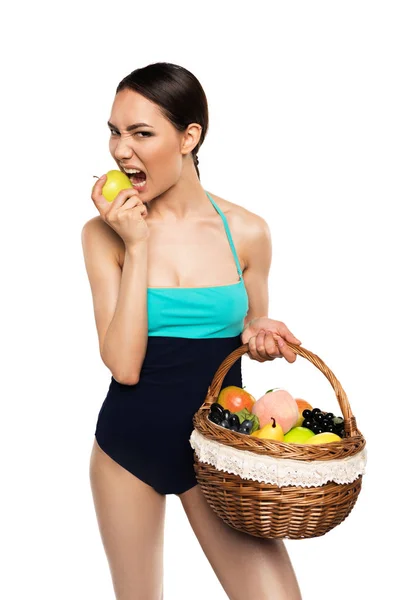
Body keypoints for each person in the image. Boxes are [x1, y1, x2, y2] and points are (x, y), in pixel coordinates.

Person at [82, 62, 303, 600]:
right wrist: (136, 245)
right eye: (115, 131)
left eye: (141, 133)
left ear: (189, 137)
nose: (120, 150)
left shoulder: (247, 232)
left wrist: (261, 333)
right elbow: (124, 364)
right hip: (126, 449)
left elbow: (248, 333)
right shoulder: (103, 235)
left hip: (218, 451)